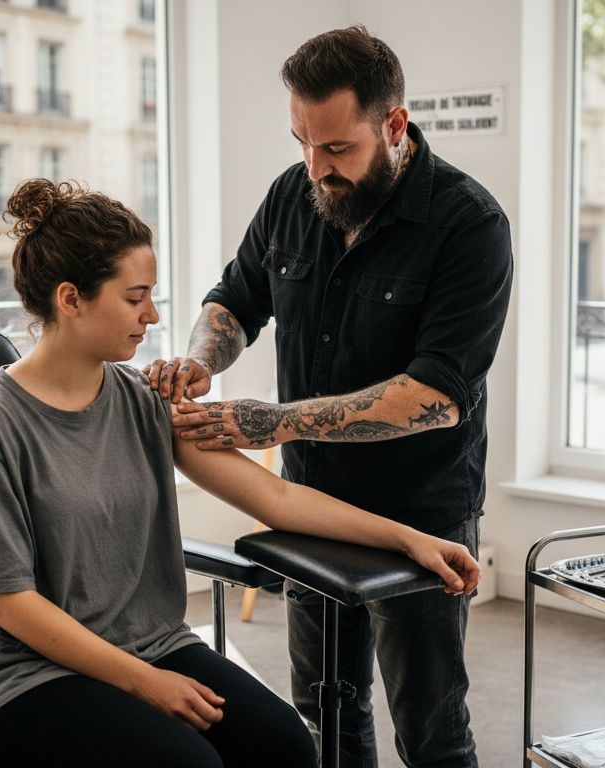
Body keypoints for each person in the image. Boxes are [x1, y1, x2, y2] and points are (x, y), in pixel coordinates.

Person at [0, 179, 479, 768]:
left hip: (152, 646)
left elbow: (276, 498)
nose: (153, 315)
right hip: (22, 679)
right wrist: (144, 682)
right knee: (189, 764)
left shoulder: (143, 399)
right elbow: (14, 608)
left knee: (288, 745)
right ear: (70, 298)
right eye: (135, 296)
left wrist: (412, 539)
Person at [143, 25, 512, 768]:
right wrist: (199, 359)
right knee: (325, 712)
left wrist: (274, 423)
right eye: (303, 144)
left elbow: (438, 395)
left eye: (337, 148)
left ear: (395, 126)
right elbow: (236, 299)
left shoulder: (470, 225)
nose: (318, 168)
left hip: (422, 509)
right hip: (310, 503)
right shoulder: (295, 194)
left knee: (431, 729)